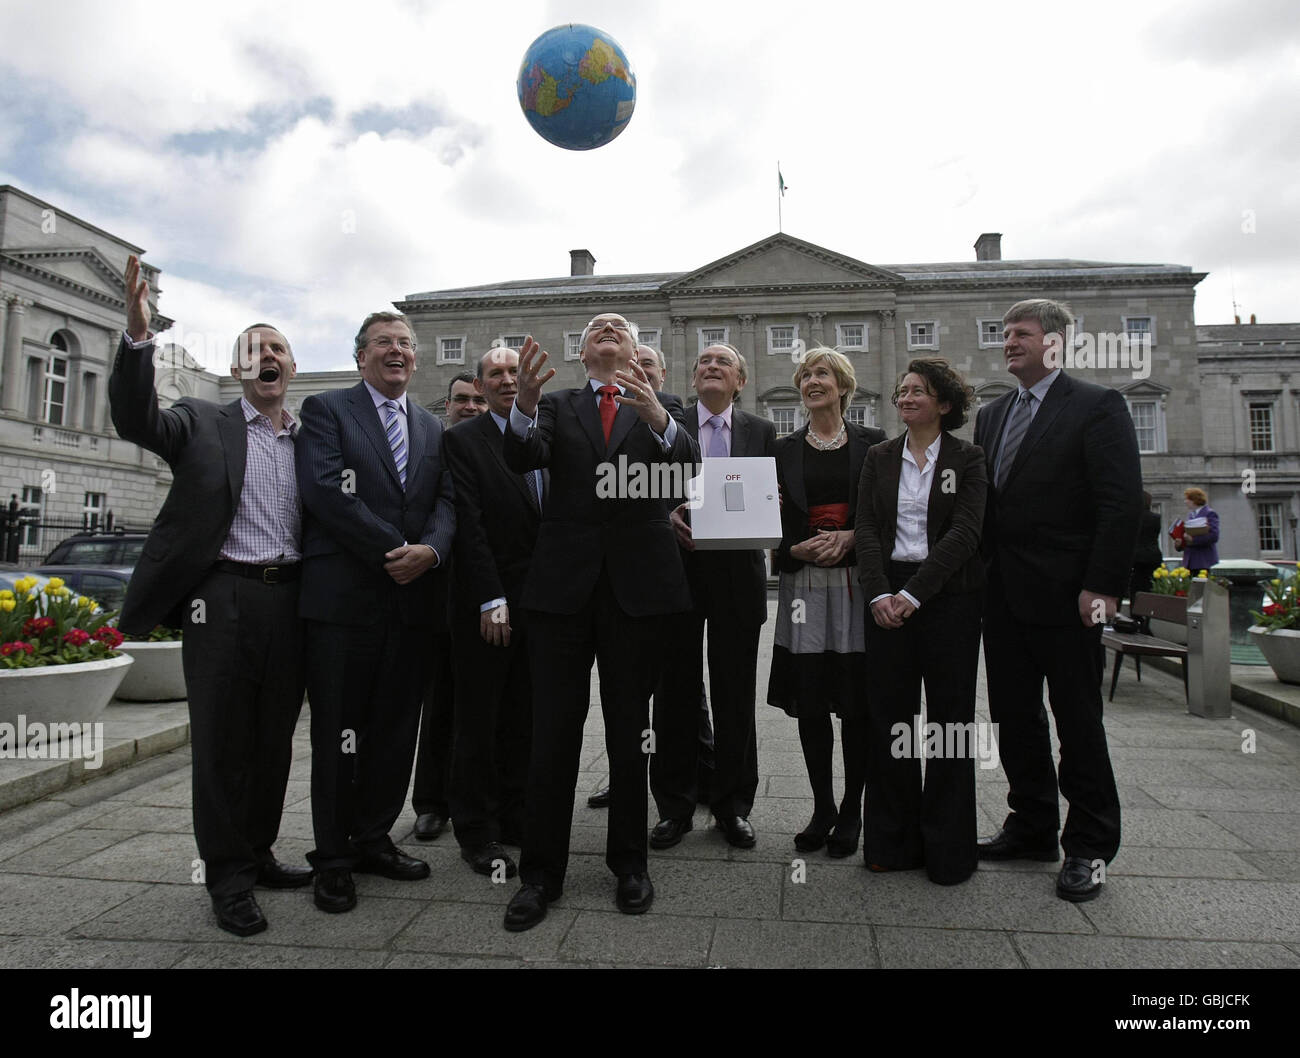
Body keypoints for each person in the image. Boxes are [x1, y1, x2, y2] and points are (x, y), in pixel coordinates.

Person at [109, 254, 310, 937]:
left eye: (278, 348)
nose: (267, 357)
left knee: (275, 741)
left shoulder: (310, 441)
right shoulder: (199, 421)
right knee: (223, 744)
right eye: (253, 349)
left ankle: (258, 853)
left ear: (291, 368)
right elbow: (138, 421)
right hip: (219, 601)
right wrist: (139, 340)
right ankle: (226, 879)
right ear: (237, 371)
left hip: (290, 603)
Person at [500, 313, 699, 932]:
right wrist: (524, 404)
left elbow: (687, 471)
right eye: (598, 328)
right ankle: (539, 875)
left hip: (638, 590)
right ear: (582, 352)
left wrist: (659, 420)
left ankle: (630, 866)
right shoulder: (556, 404)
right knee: (553, 732)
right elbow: (521, 455)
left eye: (620, 327)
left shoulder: (662, 405)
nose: (608, 329)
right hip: (563, 591)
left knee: (629, 731)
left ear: (637, 350)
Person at [975, 298, 1142, 903]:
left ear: (1055, 343)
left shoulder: (1098, 406)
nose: (1008, 341)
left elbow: (1121, 505)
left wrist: (1100, 587)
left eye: (1021, 333)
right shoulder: (992, 415)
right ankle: (1032, 826)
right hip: (1005, 595)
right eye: (1005, 333)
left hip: (1072, 596)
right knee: (1015, 718)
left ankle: (1091, 846)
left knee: (1077, 720)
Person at [296, 310, 455, 913]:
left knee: (395, 732)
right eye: (384, 343)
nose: (397, 352)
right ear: (361, 355)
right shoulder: (328, 410)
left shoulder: (432, 427)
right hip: (346, 605)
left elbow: (447, 500)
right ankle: (333, 859)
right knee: (341, 732)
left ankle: (373, 839)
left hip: (412, 605)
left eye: (406, 345)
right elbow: (326, 490)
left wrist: (433, 551)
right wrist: (397, 550)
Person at [855, 359, 986, 884]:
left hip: (949, 599)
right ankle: (892, 842)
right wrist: (880, 593)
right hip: (887, 599)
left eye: (919, 391)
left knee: (948, 724)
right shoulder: (878, 457)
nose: (906, 398)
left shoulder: (967, 458)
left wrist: (914, 593)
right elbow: (865, 528)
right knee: (890, 721)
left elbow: (965, 533)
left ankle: (949, 851)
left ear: (945, 404)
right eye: (902, 390)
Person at [652, 343, 776, 850]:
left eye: (723, 361)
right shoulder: (667, 422)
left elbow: (769, 495)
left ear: (739, 380)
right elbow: (644, 489)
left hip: (737, 576)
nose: (711, 366)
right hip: (678, 573)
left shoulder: (761, 431)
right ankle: (675, 807)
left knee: (734, 695)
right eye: (704, 361)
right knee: (676, 694)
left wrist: (773, 501)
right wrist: (666, 516)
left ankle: (732, 806)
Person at [768, 347, 885, 858]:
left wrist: (855, 537)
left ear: (843, 386)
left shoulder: (875, 445)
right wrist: (787, 547)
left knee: (856, 703)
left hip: (858, 581)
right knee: (811, 701)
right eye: (805, 375)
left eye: (822, 374)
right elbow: (766, 517)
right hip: (804, 587)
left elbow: (888, 513)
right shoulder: (780, 448)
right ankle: (822, 807)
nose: (812, 381)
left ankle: (853, 810)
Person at [588, 342, 716, 811]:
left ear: (661, 375)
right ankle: (628, 775)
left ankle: (696, 776)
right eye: (630, 364)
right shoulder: (604, 415)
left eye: (646, 366)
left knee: (679, 687)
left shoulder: (671, 412)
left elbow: (680, 473)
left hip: (671, 574)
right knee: (631, 691)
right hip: (621, 574)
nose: (636, 370)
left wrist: (672, 508)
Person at [442, 347, 541, 877]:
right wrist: (490, 598)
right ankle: (476, 830)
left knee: (525, 715)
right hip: (488, 602)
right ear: (480, 387)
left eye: (514, 372)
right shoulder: (462, 441)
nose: (507, 380)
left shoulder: (545, 432)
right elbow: (469, 524)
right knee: (479, 719)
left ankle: (517, 815)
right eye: (496, 374)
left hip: (542, 604)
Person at [410, 372, 486, 841]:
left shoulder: (497, 445)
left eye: (479, 399)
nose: (471, 406)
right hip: (440, 590)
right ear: (448, 405)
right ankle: (432, 802)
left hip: (486, 591)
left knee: (482, 703)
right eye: (462, 399)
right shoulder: (433, 449)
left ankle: (480, 796)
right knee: (439, 702)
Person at [1172, 487, 1220, 572]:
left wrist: (1193, 540)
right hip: (1190, 562)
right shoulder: (1191, 515)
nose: (1185, 502)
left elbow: (1214, 536)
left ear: (1194, 500)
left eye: (1187, 499)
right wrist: (1180, 544)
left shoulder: (1209, 513)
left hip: (1203, 561)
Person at [1129, 491, 1164, 601]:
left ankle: (1136, 612)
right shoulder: (1156, 518)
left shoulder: (1134, 518)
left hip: (1137, 557)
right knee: (1152, 586)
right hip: (1153, 555)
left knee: (1136, 587)